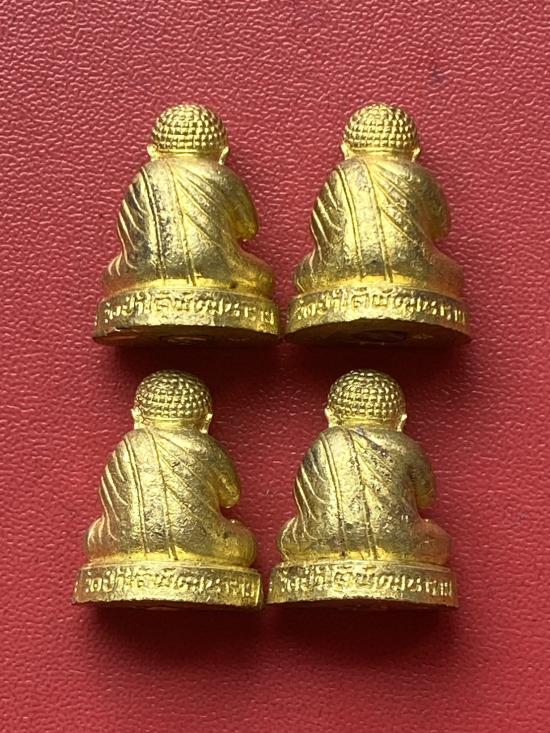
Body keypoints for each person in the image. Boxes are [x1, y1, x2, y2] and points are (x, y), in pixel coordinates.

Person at [278, 369, 451, 566]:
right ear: (401, 421)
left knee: (286, 536)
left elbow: (303, 501)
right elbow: (426, 499)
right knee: (437, 540)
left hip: (325, 541)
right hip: (396, 541)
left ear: (330, 417)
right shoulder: (405, 446)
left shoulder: (323, 444)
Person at [86, 370, 256, 568]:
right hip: (202, 544)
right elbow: (230, 497)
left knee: (94, 536)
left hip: (127, 542)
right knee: (243, 542)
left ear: (137, 417)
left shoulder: (127, 446)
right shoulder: (205, 447)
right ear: (206, 421)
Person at [103, 103, 274, 299]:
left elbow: (130, 235)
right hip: (219, 268)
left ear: (153, 152)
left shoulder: (144, 178)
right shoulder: (222, 175)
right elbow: (248, 230)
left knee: (111, 275)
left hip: (147, 270)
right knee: (262, 277)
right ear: (223, 154)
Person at [294, 103, 463, 299]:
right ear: (414, 154)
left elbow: (320, 233)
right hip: (412, 268)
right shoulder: (420, 176)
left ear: (346, 150)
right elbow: (441, 228)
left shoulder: (339, 176)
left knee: (303, 273)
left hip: (343, 269)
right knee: (453, 274)